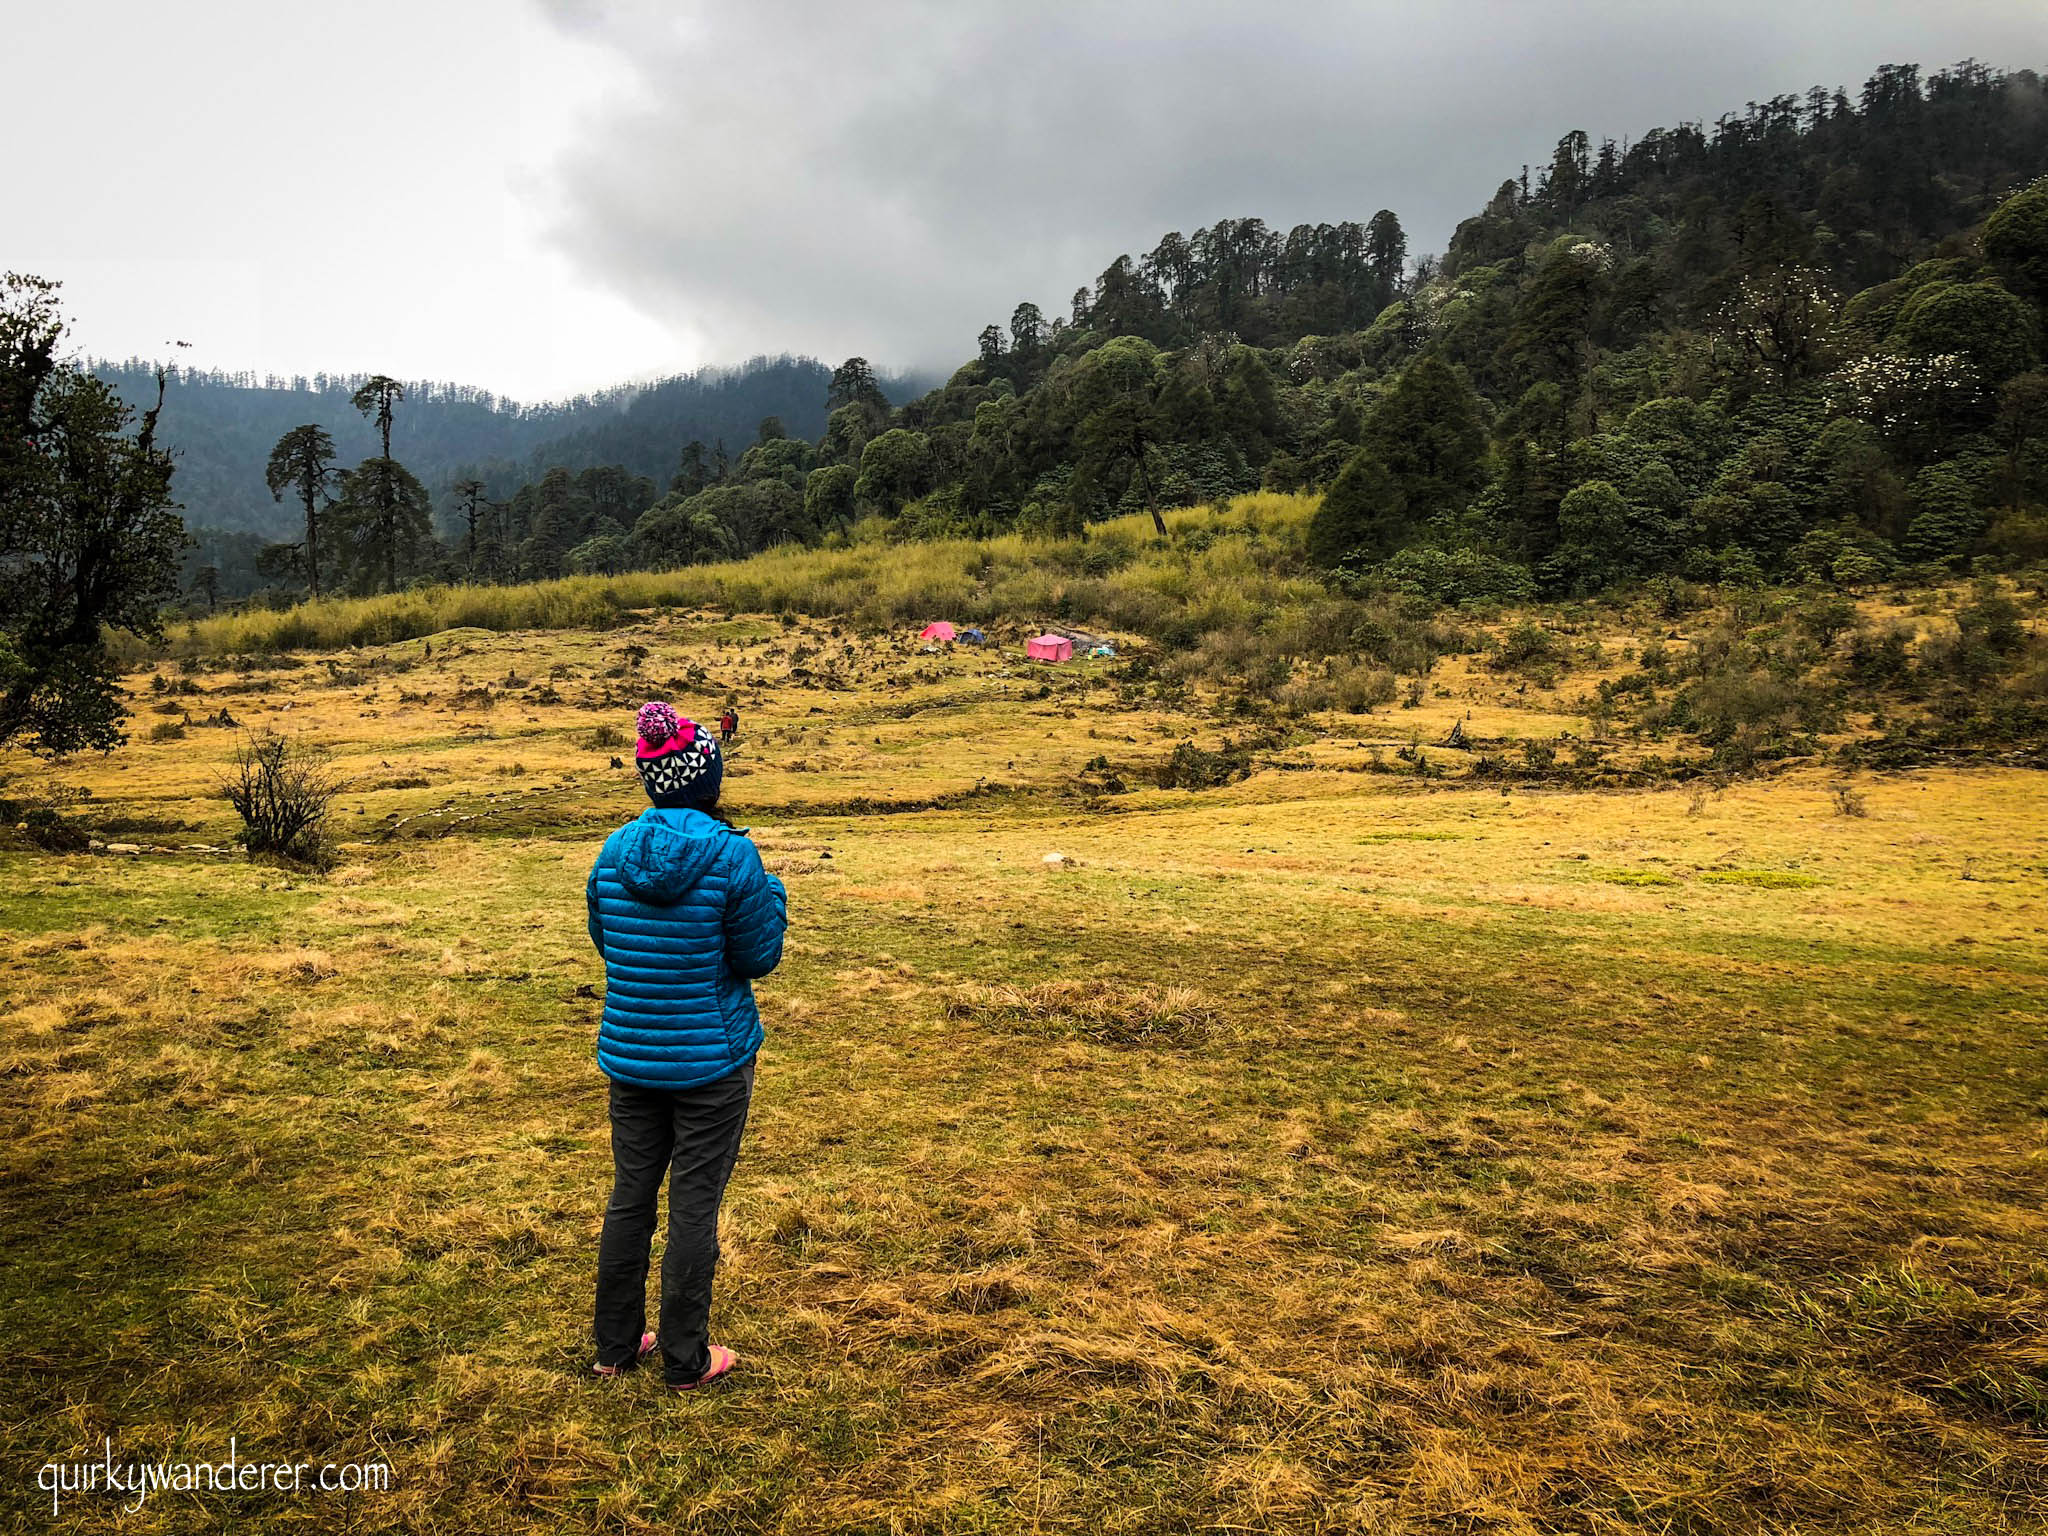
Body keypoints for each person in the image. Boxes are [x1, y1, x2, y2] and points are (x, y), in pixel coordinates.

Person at [585, 700, 787, 1390]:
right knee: (693, 1206)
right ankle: (685, 1359)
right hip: (713, 1060)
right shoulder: (734, 856)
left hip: (632, 1054)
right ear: (710, 781)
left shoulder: (612, 853)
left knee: (630, 1197)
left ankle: (614, 1347)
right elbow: (760, 957)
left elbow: (610, 945)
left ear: (650, 780)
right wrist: (775, 894)